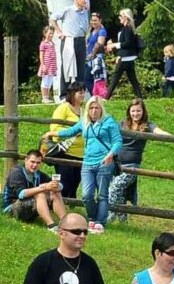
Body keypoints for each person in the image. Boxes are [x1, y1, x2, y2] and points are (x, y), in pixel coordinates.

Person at [52, 93, 125, 232]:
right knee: (87, 194)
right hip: (88, 161)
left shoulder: (108, 121)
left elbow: (117, 141)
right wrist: (53, 134)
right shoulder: (84, 122)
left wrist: (111, 154)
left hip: (104, 160)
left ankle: (100, 221)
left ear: (101, 109)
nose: (94, 111)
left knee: (102, 193)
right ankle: (92, 217)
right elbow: (71, 131)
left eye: (97, 108)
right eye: (91, 108)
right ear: (87, 109)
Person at [1, 147, 69, 227]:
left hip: (28, 206)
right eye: (32, 162)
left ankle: (67, 223)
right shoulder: (16, 172)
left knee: (54, 191)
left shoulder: (38, 174)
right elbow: (21, 194)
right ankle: (52, 226)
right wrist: (43, 188)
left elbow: (59, 185)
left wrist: (57, 186)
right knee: (40, 194)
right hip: (11, 208)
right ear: (26, 160)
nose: (35, 165)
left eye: (38, 163)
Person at [110, 9, 144, 97]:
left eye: (121, 16)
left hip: (126, 57)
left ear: (125, 17)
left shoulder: (128, 29)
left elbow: (128, 43)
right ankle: (139, 96)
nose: (119, 18)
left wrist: (115, 45)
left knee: (116, 76)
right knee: (132, 79)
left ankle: (107, 96)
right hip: (127, 56)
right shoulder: (127, 28)